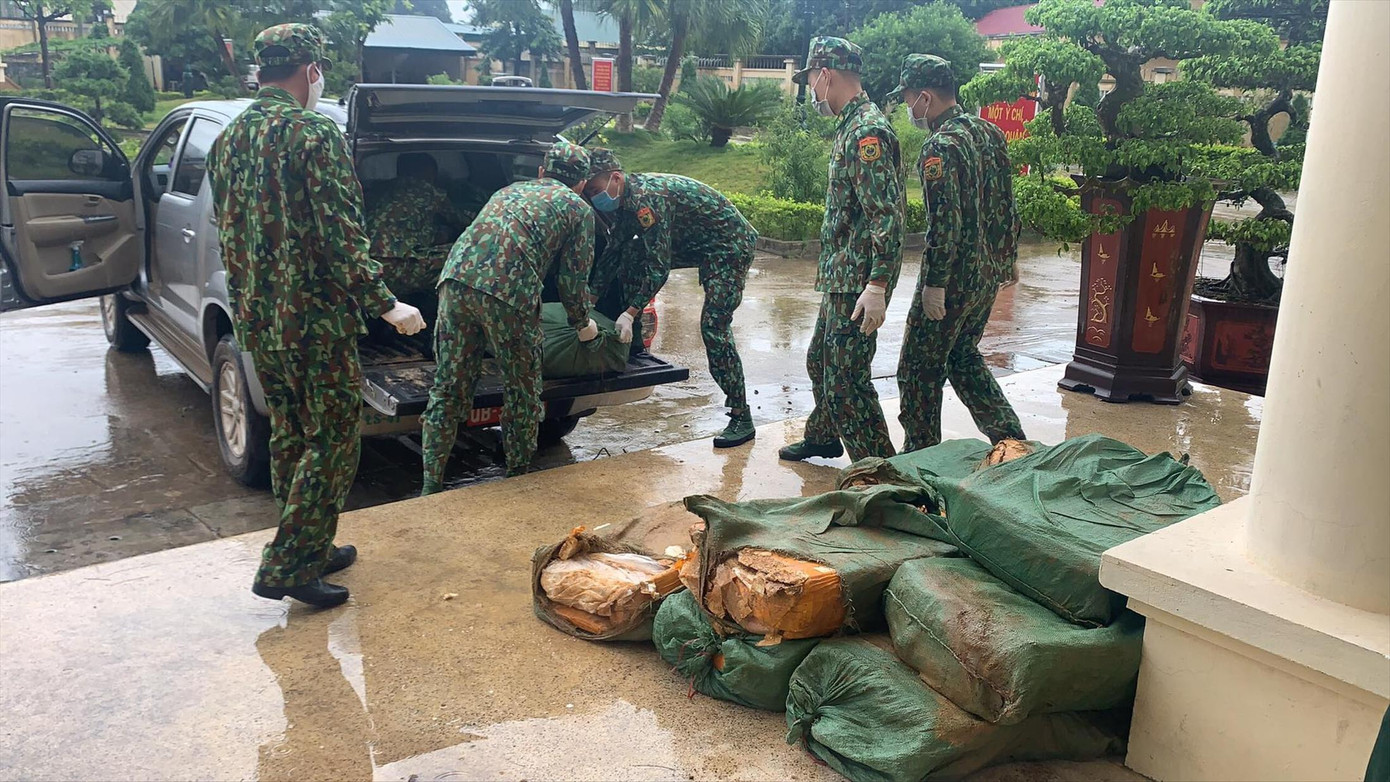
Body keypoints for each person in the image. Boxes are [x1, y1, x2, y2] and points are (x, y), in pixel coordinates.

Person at [207, 23, 426, 609]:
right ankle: (287, 567)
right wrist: (386, 303)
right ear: (310, 71)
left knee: (290, 434)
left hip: (259, 318)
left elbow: (229, 230)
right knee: (331, 441)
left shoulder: (229, 139)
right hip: (314, 322)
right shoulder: (313, 134)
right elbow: (339, 234)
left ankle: (311, 541)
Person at [420, 141, 599, 492]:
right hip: (509, 294)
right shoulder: (578, 209)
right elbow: (571, 280)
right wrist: (582, 323)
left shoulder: (510, 189)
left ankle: (430, 484)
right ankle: (516, 479)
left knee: (449, 387)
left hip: (454, 282)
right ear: (580, 183)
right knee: (521, 391)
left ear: (542, 172)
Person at [889, 54, 1026, 452]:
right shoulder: (989, 132)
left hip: (952, 281)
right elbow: (1005, 202)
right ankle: (1011, 440)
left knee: (917, 369)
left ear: (926, 98)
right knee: (963, 356)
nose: (907, 106)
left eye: (909, 98)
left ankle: (921, 458)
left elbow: (942, 223)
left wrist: (934, 284)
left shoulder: (940, 148)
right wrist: (1007, 256)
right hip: (986, 274)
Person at [779, 36, 904, 464]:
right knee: (821, 360)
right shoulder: (850, 124)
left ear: (825, 75)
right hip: (841, 276)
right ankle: (823, 436)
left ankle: (883, 475)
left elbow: (885, 215)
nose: (811, 90)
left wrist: (878, 283)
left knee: (846, 380)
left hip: (858, 280)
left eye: (811, 80)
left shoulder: (866, 131)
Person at [584, 147, 759, 448]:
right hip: (698, 243)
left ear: (615, 178)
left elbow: (658, 267)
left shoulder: (646, 201)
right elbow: (614, 250)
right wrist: (589, 298)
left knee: (714, 327)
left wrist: (630, 311)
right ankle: (634, 343)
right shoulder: (625, 200)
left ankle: (741, 415)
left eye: (596, 190)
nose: (593, 198)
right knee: (629, 253)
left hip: (728, 247)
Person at [366, 152, 475, 297]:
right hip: (401, 268)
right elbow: (465, 222)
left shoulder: (376, 191)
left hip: (367, 270)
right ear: (430, 174)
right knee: (471, 253)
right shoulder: (429, 192)